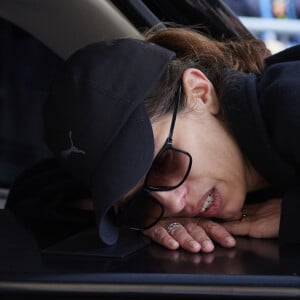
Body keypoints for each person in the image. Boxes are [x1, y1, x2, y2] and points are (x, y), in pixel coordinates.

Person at [6, 27, 300, 253]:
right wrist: (145, 218)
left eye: (164, 162)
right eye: (141, 200)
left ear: (200, 93)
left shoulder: (289, 99)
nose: (172, 203)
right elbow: (30, 195)